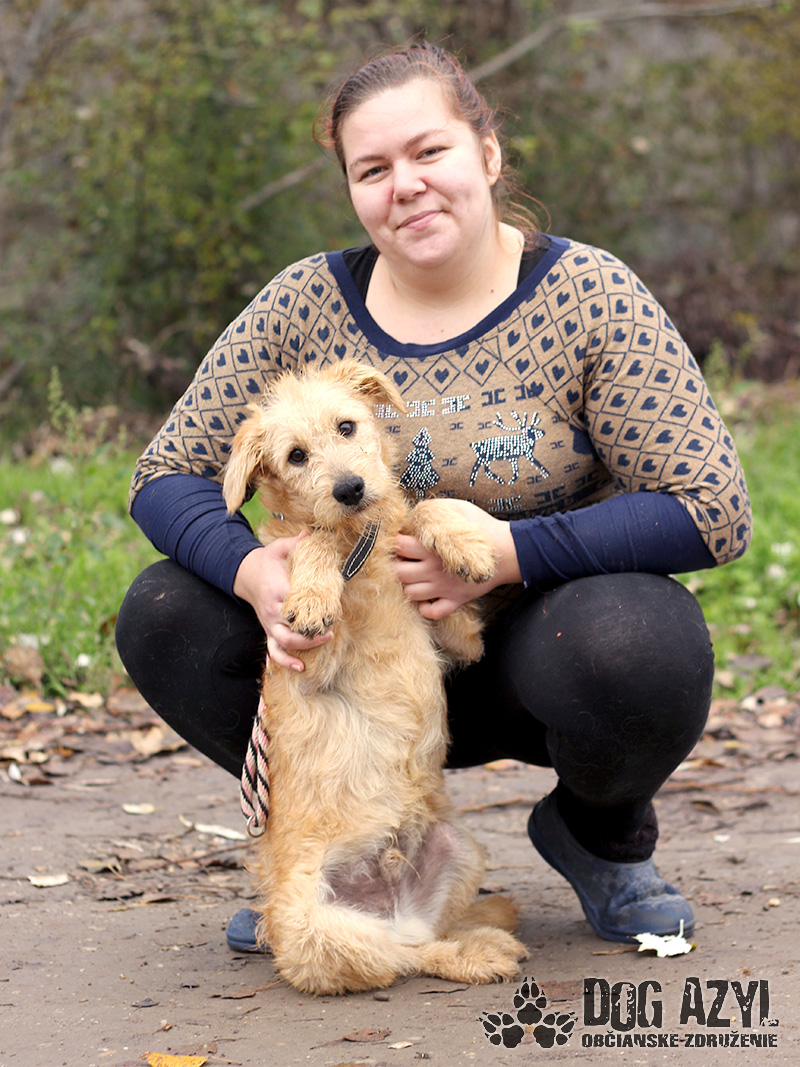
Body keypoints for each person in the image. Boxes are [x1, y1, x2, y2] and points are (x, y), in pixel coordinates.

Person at [115, 42, 752, 954]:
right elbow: (164, 475)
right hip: (353, 668)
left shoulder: (589, 295)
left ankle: (598, 834)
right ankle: (333, 858)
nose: (405, 185)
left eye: (429, 151)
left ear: (486, 152)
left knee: (639, 639)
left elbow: (710, 503)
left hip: (537, 661)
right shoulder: (303, 303)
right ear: (351, 190)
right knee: (164, 609)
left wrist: (507, 555)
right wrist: (256, 574)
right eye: (372, 169)